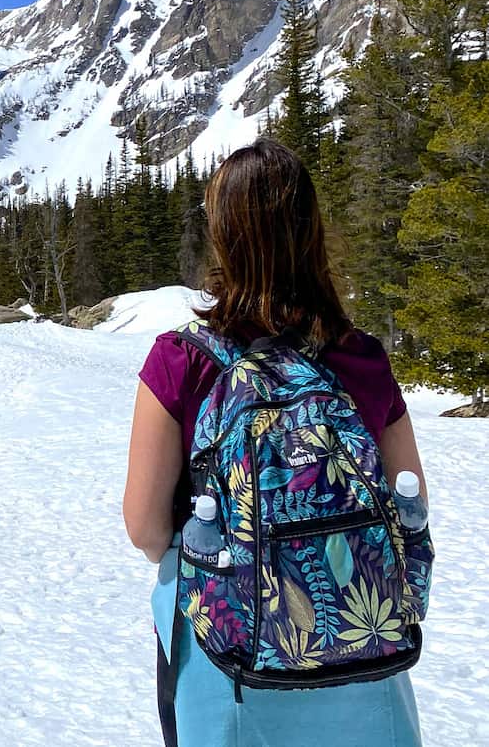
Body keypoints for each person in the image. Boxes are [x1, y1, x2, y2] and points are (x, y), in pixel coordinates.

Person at [123, 139, 427, 747]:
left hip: (232, 660)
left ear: (223, 236)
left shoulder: (183, 359)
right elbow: (408, 503)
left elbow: (146, 528)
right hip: (362, 652)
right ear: (312, 231)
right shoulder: (361, 357)